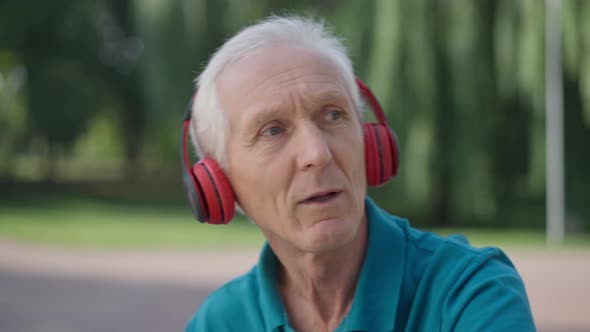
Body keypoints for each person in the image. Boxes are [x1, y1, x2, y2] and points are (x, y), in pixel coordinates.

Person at [181, 15, 536, 332]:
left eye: (333, 115)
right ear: (219, 183)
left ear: (371, 140)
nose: (317, 154)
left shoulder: (470, 292)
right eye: (272, 131)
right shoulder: (218, 322)